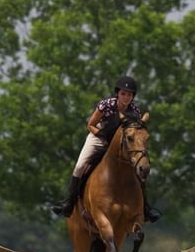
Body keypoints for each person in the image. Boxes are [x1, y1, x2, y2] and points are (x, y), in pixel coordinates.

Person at [51, 75, 161, 222]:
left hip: (121, 142)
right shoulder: (106, 105)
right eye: (123, 94)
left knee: (138, 169)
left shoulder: (134, 110)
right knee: (79, 166)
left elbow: (134, 132)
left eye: (129, 95)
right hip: (99, 136)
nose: (126, 97)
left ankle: (145, 208)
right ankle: (68, 203)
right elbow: (90, 124)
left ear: (133, 96)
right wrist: (103, 136)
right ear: (118, 93)